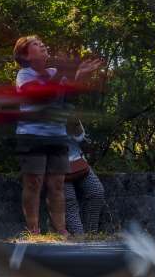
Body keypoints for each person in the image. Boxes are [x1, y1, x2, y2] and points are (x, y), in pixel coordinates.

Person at [12, 36, 103, 236]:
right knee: (33, 182)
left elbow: (66, 100)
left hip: (57, 135)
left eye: (42, 43)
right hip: (31, 135)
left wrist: (79, 77)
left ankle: (61, 229)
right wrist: (63, 73)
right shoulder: (24, 75)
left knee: (57, 184)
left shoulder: (54, 72)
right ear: (26, 55)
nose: (42, 44)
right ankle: (33, 230)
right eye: (36, 44)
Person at [63, 120, 105, 236]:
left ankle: (91, 234)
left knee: (97, 191)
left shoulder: (68, 110)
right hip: (56, 165)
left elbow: (80, 137)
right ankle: (79, 237)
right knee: (69, 200)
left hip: (78, 162)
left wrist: (74, 122)